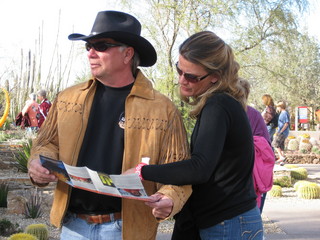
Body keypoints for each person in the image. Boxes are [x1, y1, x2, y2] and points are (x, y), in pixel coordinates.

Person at [27, 11, 191, 240]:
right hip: (73, 227)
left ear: (128, 54)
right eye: (88, 47)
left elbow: (179, 171)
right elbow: (46, 144)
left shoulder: (163, 110)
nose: (91, 53)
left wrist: (169, 198)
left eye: (101, 46)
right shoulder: (67, 99)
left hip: (127, 230)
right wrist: (38, 163)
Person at [127, 31, 263, 239]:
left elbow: (199, 168)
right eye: (179, 70)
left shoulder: (218, 105)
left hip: (228, 223)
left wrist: (142, 171)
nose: (182, 80)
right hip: (228, 220)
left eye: (191, 76)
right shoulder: (222, 103)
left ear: (215, 77)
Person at [240, 79, 274, 215]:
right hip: (253, 178)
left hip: (248, 176)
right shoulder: (254, 114)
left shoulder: (251, 114)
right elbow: (268, 149)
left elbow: (265, 148)